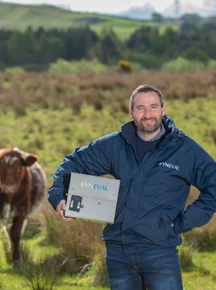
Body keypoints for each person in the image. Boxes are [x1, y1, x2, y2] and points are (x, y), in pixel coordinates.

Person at [47, 84, 216, 290]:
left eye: (153, 107)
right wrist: (58, 196)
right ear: (131, 112)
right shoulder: (116, 144)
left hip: (160, 251)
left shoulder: (184, 150)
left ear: (163, 110)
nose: (147, 114)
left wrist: (181, 223)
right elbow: (73, 162)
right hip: (119, 252)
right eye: (140, 108)